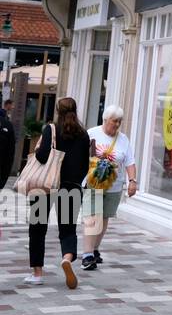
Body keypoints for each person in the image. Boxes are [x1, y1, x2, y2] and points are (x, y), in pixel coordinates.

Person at [24, 97, 92, 290]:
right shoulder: (83, 134)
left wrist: (38, 148)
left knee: (37, 228)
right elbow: (85, 165)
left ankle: (37, 274)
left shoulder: (51, 129)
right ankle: (67, 258)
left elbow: (43, 156)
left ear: (57, 110)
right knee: (68, 229)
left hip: (45, 185)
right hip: (72, 187)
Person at [81, 104, 137, 271]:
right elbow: (81, 156)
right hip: (93, 183)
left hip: (114, 185)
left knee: (104, 218)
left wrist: (132, 180)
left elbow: (129, 161)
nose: (117, 125)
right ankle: (87, 255)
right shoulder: (92, 133)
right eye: (114, 121)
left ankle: (95, 248)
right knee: (92, 217)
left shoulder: (123, 139)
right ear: (105, 120)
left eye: (119, 121)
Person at [0, 97, 16, 190]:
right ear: (8, 105)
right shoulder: (6, 122)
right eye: (12, 105)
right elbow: (10, 154)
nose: (13, 107)